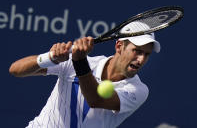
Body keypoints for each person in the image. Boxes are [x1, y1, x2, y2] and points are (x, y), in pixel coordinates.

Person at [9, 22, 160, 128]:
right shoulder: (75, 62)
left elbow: (96, 99)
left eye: (147, 54)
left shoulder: (139, 90)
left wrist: (79, 61)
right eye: (137, 51)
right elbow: (16, 70)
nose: (141, 59)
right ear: (119, 46)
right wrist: (51, 57)